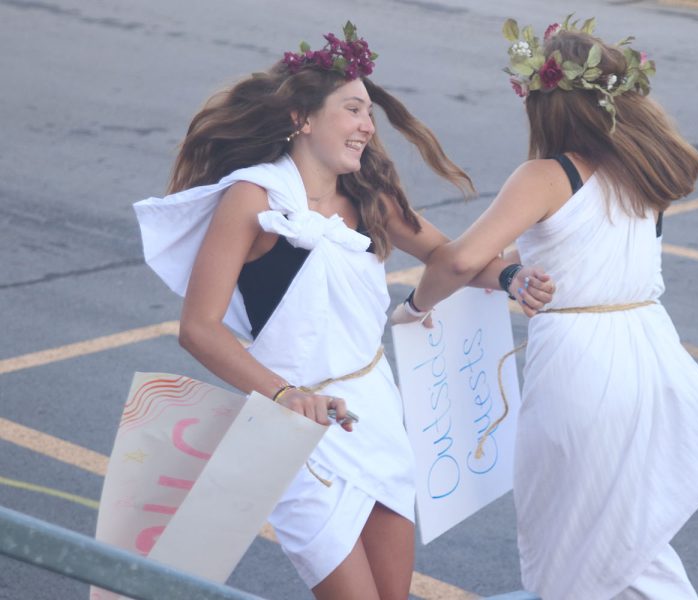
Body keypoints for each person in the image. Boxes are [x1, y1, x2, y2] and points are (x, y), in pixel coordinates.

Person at [133, 22, 554, 600]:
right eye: (354, 110)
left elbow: (449, 257)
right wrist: (287, 397)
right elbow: (198, 329)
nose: (367, 126)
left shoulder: (367, 196)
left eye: (370, 115)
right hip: (292, 427)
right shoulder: (254, 198)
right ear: (300, 119)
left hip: (374, 414)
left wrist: (510, 275)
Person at [391, 16, 698, 600]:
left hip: (582, 366)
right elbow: (517, 259)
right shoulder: (643, 175)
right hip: (650, 355)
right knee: (623, 531)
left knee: (576, 529)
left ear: (545, 104)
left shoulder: (547, 175)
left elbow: (458, 262)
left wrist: (413, 306)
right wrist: (508, 275)